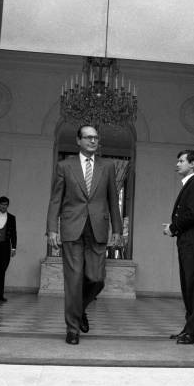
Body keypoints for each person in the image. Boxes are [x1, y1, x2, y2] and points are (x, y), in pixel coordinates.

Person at [46, 124, 122, 345]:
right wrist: (52, 228)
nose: (93, 141)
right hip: (72, 228)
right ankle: (72, 329)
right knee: (74, 279)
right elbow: (55, 199)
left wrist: (117, 230)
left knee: (97, 279)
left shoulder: (107, 166)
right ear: (78, 141)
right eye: (88, 137)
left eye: (96, 137)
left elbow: (113, 200)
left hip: (97, 229)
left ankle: (79, 309)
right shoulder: (64, 166)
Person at [163, 150, 194, 344]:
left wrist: (173, 227)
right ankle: (189, 328)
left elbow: (193, 214)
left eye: (181, 161)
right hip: (187, 241)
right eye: (178, 160)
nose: (178, 164)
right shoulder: (190, 185)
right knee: (188, 286)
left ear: (192, 164)